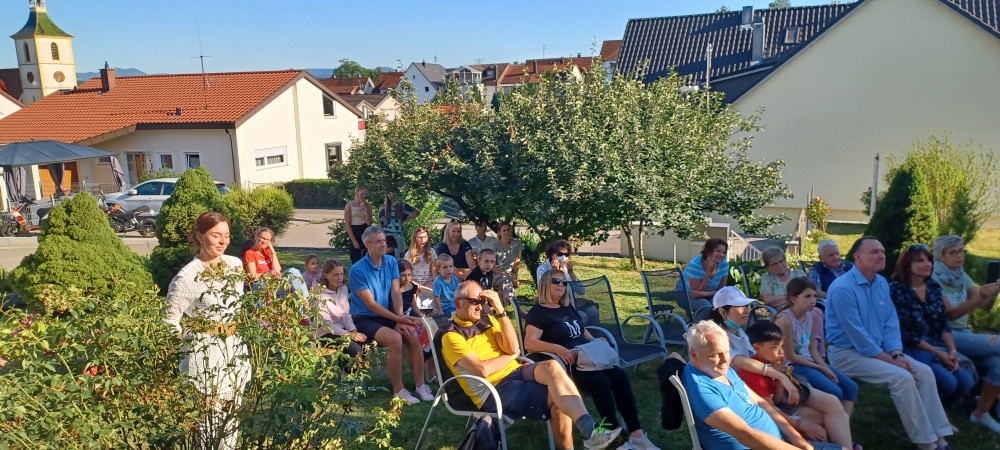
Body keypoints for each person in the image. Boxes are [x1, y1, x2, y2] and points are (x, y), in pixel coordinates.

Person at [440, 281, 622, 450]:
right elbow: (483, 370)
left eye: (482, 300)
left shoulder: (488, 320)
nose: (480, 306)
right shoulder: (452, 336)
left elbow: (512, 347)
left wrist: (500, 311)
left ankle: (589, 431)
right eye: (473, 301)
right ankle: (590, 433)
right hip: (494, 389)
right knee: (559, 399)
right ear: (458, 303)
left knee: (551, 366)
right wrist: (512, 356)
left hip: (516, 372)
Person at [826, 236, 954, 450]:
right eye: (874, 251)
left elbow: (890, 323)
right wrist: (894, 362)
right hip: (846, 354)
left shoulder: (881, 283)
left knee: (924, 372)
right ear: (858, 257)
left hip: (878, 351)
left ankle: (940, 437)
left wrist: (897, 354)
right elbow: (859, 337)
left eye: (882, 251)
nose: (881, 255)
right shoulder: (842, 288)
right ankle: (926, 444)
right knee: (902, 377)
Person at [524, 269, 661, 450]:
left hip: (587, 358)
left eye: (564, 283)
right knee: (600, 382)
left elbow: (582, 331)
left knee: (620, 376)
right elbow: (530, 343)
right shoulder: (538, 312)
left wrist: (595, 341)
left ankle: (637, 434)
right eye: (556, 281)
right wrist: (558, 348)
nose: (561, 285)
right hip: (568, 365)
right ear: (545, 284)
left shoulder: (567, 308)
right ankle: (614, 437)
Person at [711, 287, 850, 446]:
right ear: (723, 311)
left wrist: (777, 371)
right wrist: (781, 377)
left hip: (768, 391)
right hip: (754, 399)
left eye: (748, 306)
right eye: (740, 306)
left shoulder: (739, 333)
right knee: (819, 420)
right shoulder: (718, 337)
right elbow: (741, 362)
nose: (747, 311)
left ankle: (844, 446)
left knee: (831, 403)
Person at [164, 212, 251, 449]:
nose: (223, 241)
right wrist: (185, 347)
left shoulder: (235, 265)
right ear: (200, 237)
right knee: (208, 424)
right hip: (205, 355)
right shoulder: (187, 277)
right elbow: (169, 321)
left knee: (232, 419)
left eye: (227, 236)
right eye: (216, 235)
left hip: (234, 350)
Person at [682, 320, 818, 450]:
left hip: (779, 442)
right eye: (716, 354)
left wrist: (797, 438)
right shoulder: (702, 389)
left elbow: (760, 402)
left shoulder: (718, 369)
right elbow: (745, 436)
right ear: (694, 354)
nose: (725, 360)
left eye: (727, 352)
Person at [737, 321, 856, 449]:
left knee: (829, 414)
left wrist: (779, 375)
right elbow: (769, 411)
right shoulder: (752, 373)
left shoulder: (769, 363)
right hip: (770, 419)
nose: (781, 352)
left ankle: (844, 447)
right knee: (820, 429)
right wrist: (799, 423)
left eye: (782, 346)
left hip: (781, 409)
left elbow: (777, 399)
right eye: (774, 347)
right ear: (757, 347)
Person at [349, 225, 433, 404]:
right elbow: (370, 304)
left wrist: (400, 318)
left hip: (388, 315)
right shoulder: (357, 269)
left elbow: (396, 292)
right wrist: (397, 319)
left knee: (412, 334)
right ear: (367, 244)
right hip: (364, 318)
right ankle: (399, 390)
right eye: (378, 241)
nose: (383, 244)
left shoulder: (391, 262)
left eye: (384, 241)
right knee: (395, 338)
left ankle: (420, 385)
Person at [890, 244, 974, 407]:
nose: (928, 264)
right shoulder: (896, 290)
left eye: (929, 260)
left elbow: (942, 324)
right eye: (920, 261)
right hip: (910, 347)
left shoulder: (934, 288)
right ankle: (922, 409)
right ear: (907, 265)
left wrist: (952, 351)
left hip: (937, 344)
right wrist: (938, 354)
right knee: (949, 382)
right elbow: (905, 334)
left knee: (966, 382)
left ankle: (938, 411)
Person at [932, 234, 1000, 432]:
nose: (959, 256)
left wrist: (993, 292)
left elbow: (985, 306)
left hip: (963, 333)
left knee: (998, 364)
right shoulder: (934, 278)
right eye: (953, 252)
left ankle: (980, 413)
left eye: (962, 251)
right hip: (944, 335)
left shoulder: (961, 274)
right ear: (940, 255)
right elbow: (951, 314)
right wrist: (980, 295)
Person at [775, 278, 857, 415]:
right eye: (807, 296)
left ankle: (843, 425)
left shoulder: (813, 315)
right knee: (835, 391)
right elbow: (790, 356)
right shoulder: (785, 320)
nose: (812, 300)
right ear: (793, 298)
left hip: (809, 361)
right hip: (792, 365)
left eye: (814, 296)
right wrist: (820, 368)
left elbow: (812, 349)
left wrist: (825, 367)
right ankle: (834, 424)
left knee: (851, 387)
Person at [314, 259, 366, 363]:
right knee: (355, 350)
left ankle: (352, 375)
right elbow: (327, 325)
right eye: (335, 275)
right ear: (325, 275)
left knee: (364, 344)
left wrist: (353, 331)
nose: (340, 278)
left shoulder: (343, 289)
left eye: (341, 274)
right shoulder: (319, 295)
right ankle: (346, 377)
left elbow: (345, 315)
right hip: (324, 333)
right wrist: (348, 334)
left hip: (340, 329)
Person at [536, 240, 598, 326]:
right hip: (554, 306)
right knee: (582, 316)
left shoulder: (566, 269)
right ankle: (577, 337)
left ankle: (593, 336)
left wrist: (571, 273)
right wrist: (554, 272)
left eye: (566, 254)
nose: (564, 257)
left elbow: (581, 291)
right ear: (552, 255)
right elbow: (545, 291)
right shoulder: (542, 269)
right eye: (560, 254)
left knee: (592, 311)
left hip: (569, 304)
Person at [243, 227, 308, 298]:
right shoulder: (250, 253)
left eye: (267, 240)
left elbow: (277, 270)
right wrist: (268, 275)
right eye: (262, 238)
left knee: (293, 271)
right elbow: (253, 276)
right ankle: (305, 302)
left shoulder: (268, 252)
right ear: (256, 237)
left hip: (274, 282)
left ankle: (305, 301)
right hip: (260, 284)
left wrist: (272, 251)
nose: (264, 241)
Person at [680, 239, 730, 322]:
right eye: (718, 251)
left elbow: (721, 289)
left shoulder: (724, 264)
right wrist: (708, 272)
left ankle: (721, 329)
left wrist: (706, 293)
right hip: (686, 293)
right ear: (709, 251)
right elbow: (697, 292)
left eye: (723, 252)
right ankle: (696, 331)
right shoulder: (694, 265)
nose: (721, 254)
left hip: (706, 293)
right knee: (706, 306)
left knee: (725, 304)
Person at [405, 225, 438, 313]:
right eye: (420, 237)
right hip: (414, 280)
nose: (422, 240)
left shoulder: (431, 252)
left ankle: (430, 313)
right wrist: (414, 283)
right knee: (414, 291)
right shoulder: (409, 254)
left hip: (428, 280)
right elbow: (407, 273)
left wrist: (435, 282)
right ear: (415, 238)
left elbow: (434, 272)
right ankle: (418, 313)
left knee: (432, 290)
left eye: (424, 237)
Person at [378, 192, 419, 258]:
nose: (391, 195)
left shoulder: (402, 205)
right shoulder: (383, 207)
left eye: (393, 193)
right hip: (386, 235)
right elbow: (381, 223)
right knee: (385, 256)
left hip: (398, 234)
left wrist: (404, 219)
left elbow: (416, 212)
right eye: (389, 194)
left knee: (399, 257)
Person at [344, 186, 373, 264]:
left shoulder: (368, 205)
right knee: (355, 258)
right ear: (357, 193)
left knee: (366, 257)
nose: (364, 196)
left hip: (365, 231)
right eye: (362, 194)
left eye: (366, 194)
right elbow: (347, 224)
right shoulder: (349, 205)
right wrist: (354, 240)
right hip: (355, 231)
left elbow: (369, 223)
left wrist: (366, 209)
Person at [496, 221, 524, 288]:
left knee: (508, 282)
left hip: (510, 274)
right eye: (504, 230)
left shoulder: (517, 243)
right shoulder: (494, 245)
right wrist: (508, 275)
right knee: (506, 281)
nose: (506, 232)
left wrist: (515, 278)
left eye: (508, 230)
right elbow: (493, 267)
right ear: (499, 233)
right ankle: (511, 298)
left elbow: (517, 261)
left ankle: (509, 298)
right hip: (496, 273)